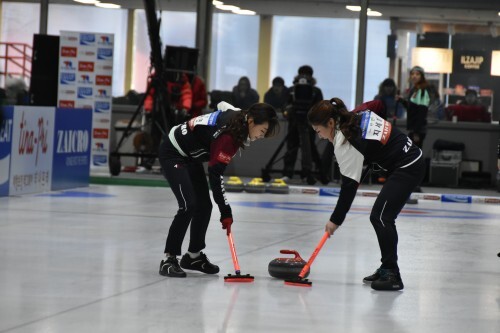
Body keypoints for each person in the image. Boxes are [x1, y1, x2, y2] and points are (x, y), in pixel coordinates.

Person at [308, 97, 425, 291]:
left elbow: (349, 187)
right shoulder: (358, 114)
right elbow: (379, 104)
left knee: (381, 216)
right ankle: (387, 266)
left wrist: (335, 220)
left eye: (319, 131)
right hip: (408, 158)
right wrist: (376, 145)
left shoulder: (345, 143)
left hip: (408, 165)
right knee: (380, 216)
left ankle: (392, 274)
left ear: (330, 123)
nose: (320, 136)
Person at [158, 101, 280, 277]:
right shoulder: (228, 138)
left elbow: (222, 104)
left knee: (204, 205)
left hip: (191, 155)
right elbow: (215, 176)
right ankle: (168, 259)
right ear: (251, 121)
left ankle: (193, 256)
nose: (261, 136)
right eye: (262, 131)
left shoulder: (239, 114)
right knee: (188, 205)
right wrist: (225, 211)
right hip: (173, 151)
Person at [283, 65, 324, 184]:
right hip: (294, 122)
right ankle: (287, 173)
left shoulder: (316, 91)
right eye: (302, 73)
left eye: (307, 73)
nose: (304, 76)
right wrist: (288, 109)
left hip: (309, 124)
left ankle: (306, 174)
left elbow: (320, 107)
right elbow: (285, 105)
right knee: (291, 147)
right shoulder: (291, 90)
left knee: (309, 149)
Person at [399, 66, 430, 149]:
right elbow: (412, 108)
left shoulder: (422, 91)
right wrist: (402, 101)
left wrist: (417, 132)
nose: (414, 76)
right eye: (412, 74)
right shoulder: (415, 90)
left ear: (422, 76)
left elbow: (422, 112)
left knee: (414, 153)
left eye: (417, 74)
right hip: (414, 129)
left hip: (418, 130)